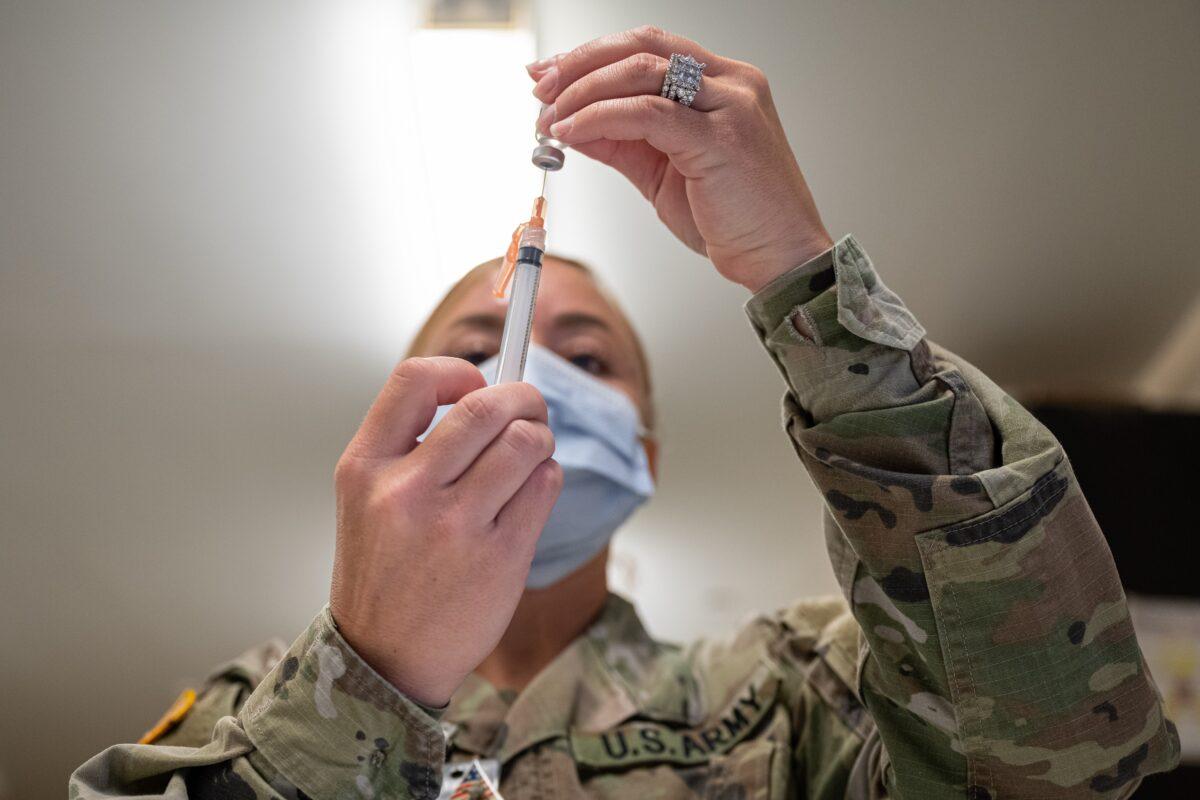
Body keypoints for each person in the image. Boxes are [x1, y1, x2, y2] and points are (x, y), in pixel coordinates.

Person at [71, 26, 1179, 800]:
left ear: (640, 448)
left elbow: (1070, 765)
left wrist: (809, 284)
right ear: (392, 427)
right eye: (476, 346)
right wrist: (370, 676)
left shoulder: (789, 696)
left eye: (587, 353)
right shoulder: (240, 710)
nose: (528, 373)